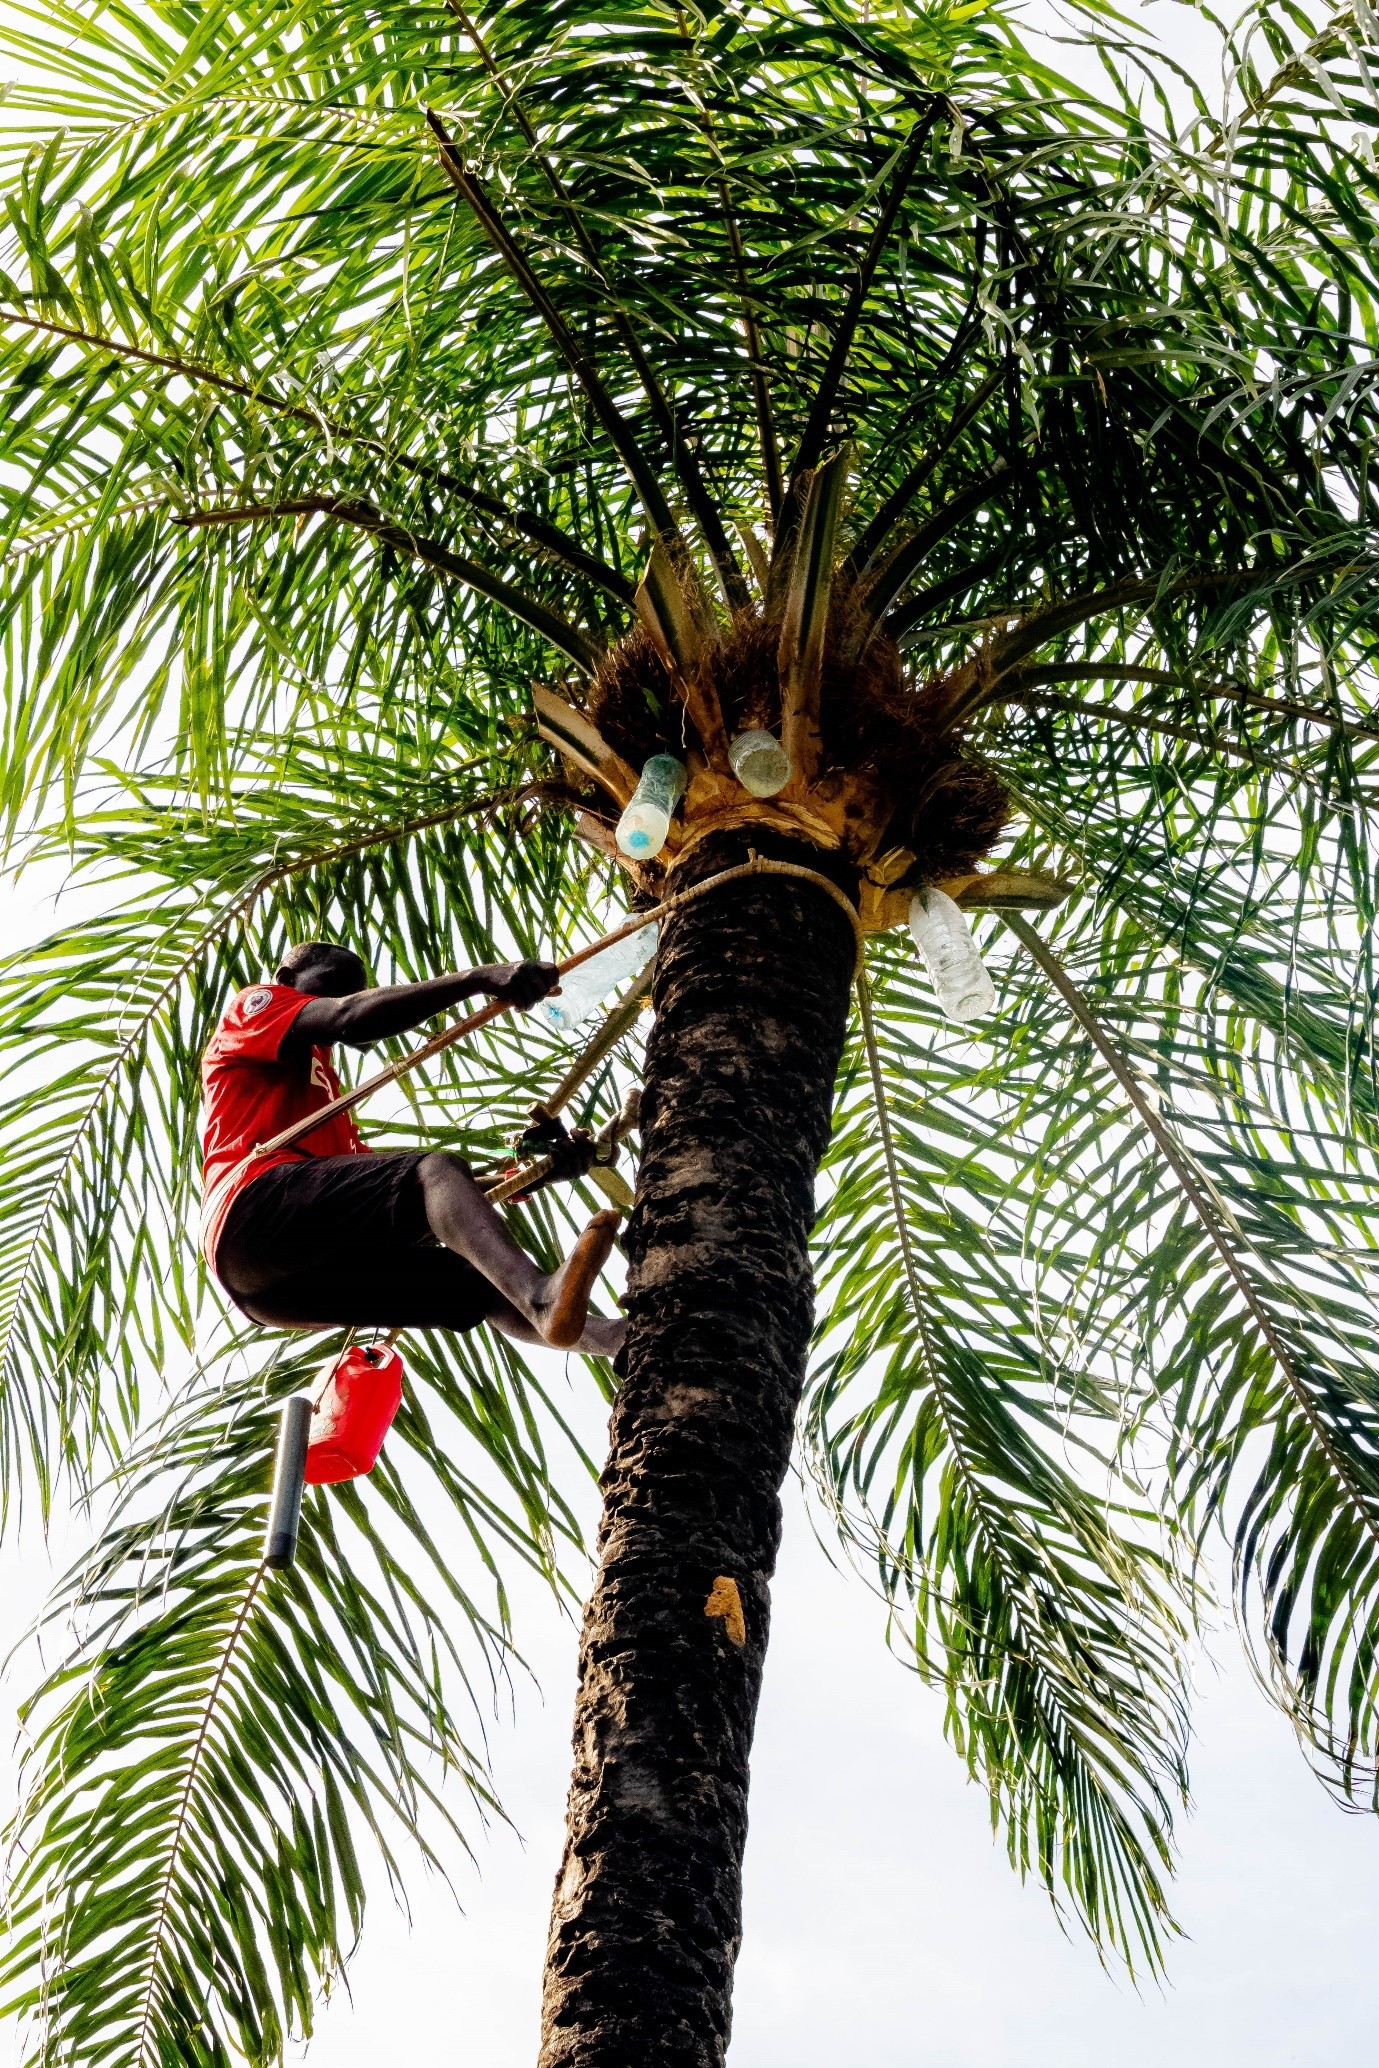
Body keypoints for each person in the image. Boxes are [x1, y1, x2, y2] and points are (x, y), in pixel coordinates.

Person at [200, 939, 625, 1356]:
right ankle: (541, 1298)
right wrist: (478, 978)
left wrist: (541, 1174)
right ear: (287, 978)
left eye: (354, 989)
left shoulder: (326, 1107)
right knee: (434, 1169)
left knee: (475, 1279)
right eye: (334, 983)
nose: (346, 996)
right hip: (247, 1211)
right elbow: (349, 1018)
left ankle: (620, 1340)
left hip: (273, 1293)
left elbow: (411, 1197)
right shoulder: (254, 1008)